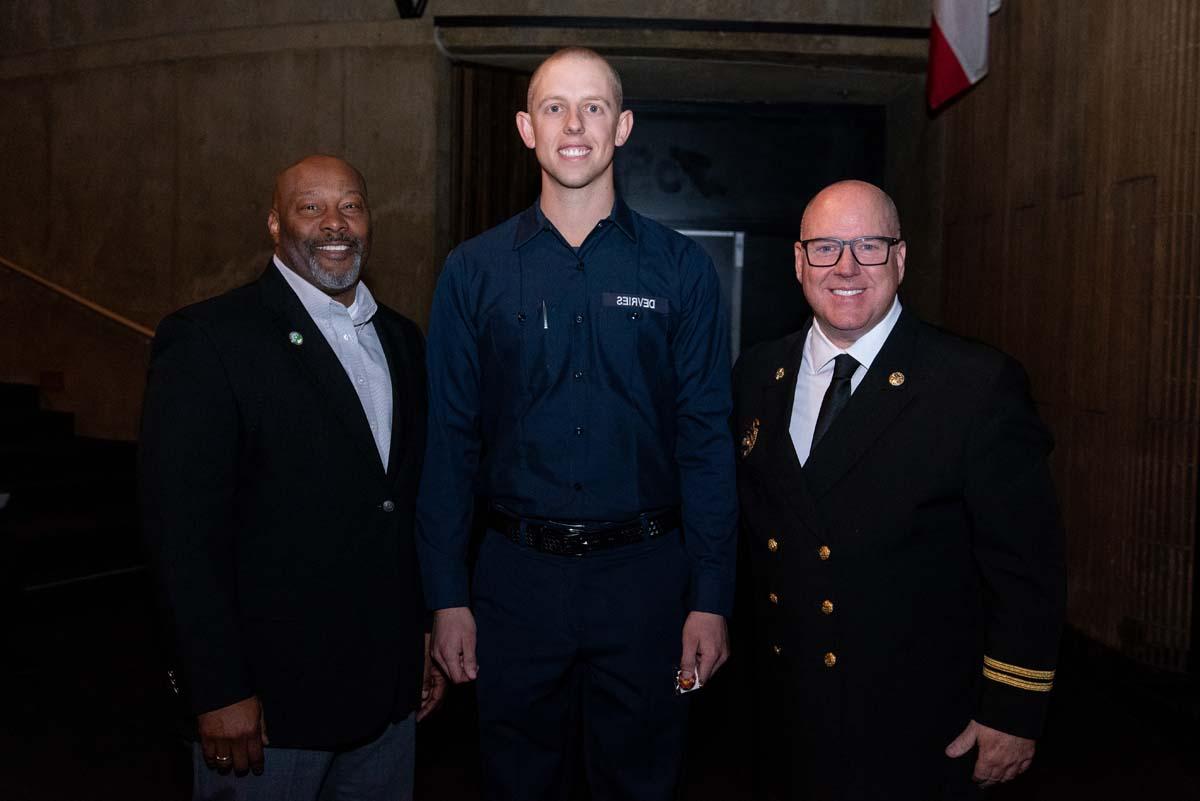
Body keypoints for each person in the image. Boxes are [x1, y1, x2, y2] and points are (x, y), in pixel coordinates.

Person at [416, 48, 737, 801]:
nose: (574, 125)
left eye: (593, 107)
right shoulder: (473, 272)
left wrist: (713, 594)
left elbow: (706, 441)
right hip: (512, 582)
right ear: (527, 128)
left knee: (643, 783)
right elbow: (450, 445)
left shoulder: (681, 271)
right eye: (554, 107)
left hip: (647, 582)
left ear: (622, 127)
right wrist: (445, 593)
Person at [732, 180, 1066, 800]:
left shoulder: (974, 385)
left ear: (901, 258)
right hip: (785, 718)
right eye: (827, 248)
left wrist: (1013, 710)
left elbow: (1027, 567)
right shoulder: (757, 374)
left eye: (870, 246)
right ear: (800, 262)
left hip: (918, 727)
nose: (848, 268)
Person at [139, 154, 443, 801]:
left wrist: (418, 636)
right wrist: (217, 686)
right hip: (268, 714)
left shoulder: (403, 340)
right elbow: (182, 534)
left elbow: (402, 506)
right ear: (275, 224)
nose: (335, 223)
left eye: (352, 206)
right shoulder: (209, 339)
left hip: (386, 706)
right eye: (311, 207)